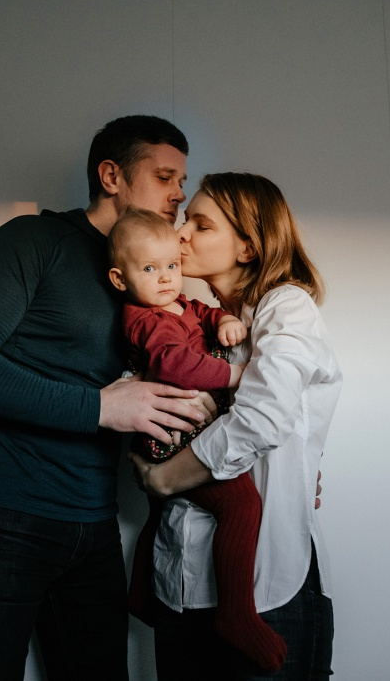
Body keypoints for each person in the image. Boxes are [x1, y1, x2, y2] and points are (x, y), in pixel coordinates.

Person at [0, 115, 213, 681]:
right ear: (111, 176)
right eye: (164, 177)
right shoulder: (33, 242)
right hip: (3, 516)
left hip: (94, 525)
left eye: (182, 180)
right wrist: (100, 407)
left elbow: (184, 381)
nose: (179, 193)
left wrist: (277, 466)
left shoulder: (157, 279)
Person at [130, 173, 342, 680]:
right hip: (179, 583)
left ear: (248, 246)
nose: (180, 233)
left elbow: (262, 419)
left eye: (201, 225)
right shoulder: (190, 319)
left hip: (269, 590)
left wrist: (164, 477)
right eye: (185, 220)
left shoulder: (285, 306)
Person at [106, 207, 287, 672]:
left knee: (166, 503)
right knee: (240, 503)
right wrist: (234, 374)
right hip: (172, 435)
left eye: (171, 265)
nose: (167, 277)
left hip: (186, 429)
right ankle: (237, 614)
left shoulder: (180, 304)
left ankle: (141, 591)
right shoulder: (145, 320)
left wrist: (224, 321)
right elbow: (175, 364)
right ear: (120, 279)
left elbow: (204, 314)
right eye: (150, 269)